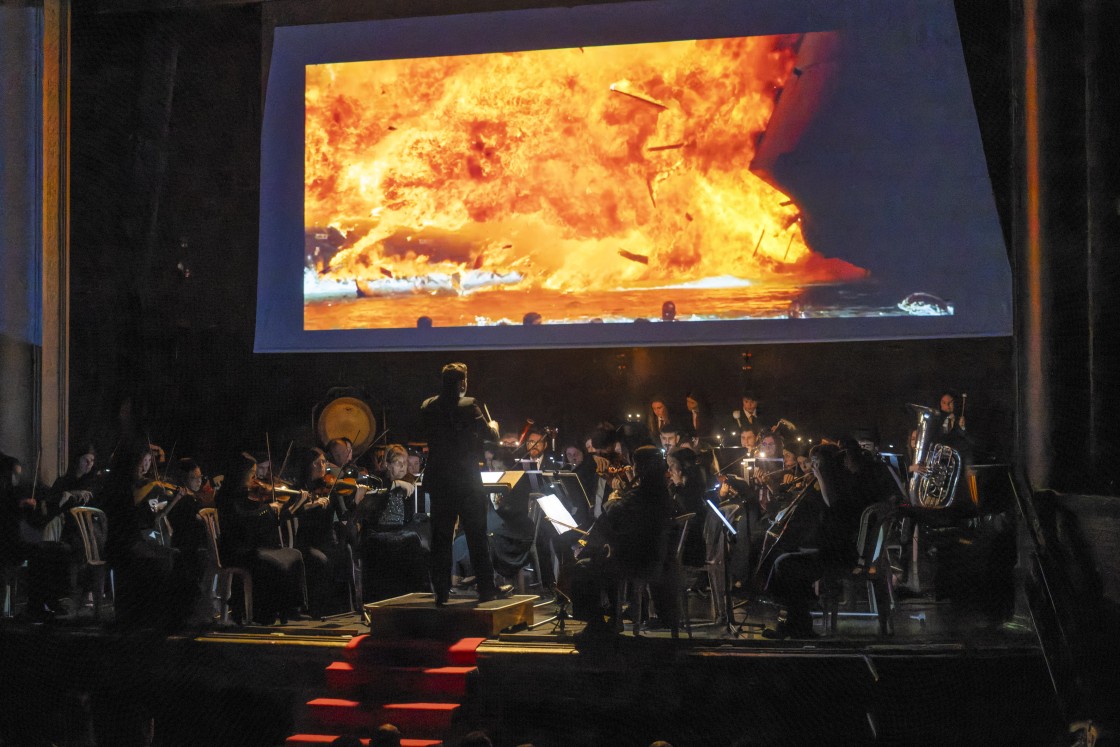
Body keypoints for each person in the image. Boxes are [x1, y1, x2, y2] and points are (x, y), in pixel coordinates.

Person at [421, 362, 512, 606]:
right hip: (466, 483)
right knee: (477, 537)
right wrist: (493, 426)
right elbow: (491, 436)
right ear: (462, 383)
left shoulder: (428, 406)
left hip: (440, 482)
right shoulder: (469, 405)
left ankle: (440, 591)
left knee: (440, 538)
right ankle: (486, 589)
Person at [215, 453, 306, 625]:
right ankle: (263, 612)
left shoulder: (246, 493)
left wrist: (283, 508)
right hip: (236, 549)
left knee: (293, 554)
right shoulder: (227, 496)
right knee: (269, 561)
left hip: (252, 545)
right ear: (240, 473)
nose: (255, 478)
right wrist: (267, 510)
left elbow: (259, 520)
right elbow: (242, 520)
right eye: (251, 474)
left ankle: (289, 607)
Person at [353, 444, 429, 602]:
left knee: (415, 539)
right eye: (398, 463)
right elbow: (369, 509)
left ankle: (416, 596)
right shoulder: (378, 480)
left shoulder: (409, 482)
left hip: (398, 530)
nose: (403, 467)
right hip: (376, 532)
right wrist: (394, 485)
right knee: (409, 540)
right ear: (387, 465)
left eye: (405, 463)